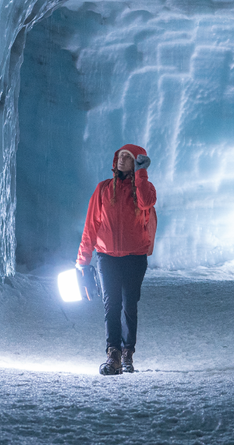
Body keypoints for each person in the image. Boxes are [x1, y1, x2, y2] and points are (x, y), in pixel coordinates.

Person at [76, 144, 157, 375]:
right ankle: (113, 354)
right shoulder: (103, 189)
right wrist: (83, 259)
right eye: (120, 156)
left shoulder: (145, 188)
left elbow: (145, 202)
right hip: (107, 256)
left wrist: (141, 174)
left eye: (128, 157)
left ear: (137, 162)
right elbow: (91, 226)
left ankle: (127, 352)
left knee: (129, 305)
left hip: (135, 256)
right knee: (112, 305)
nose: (122, 160)